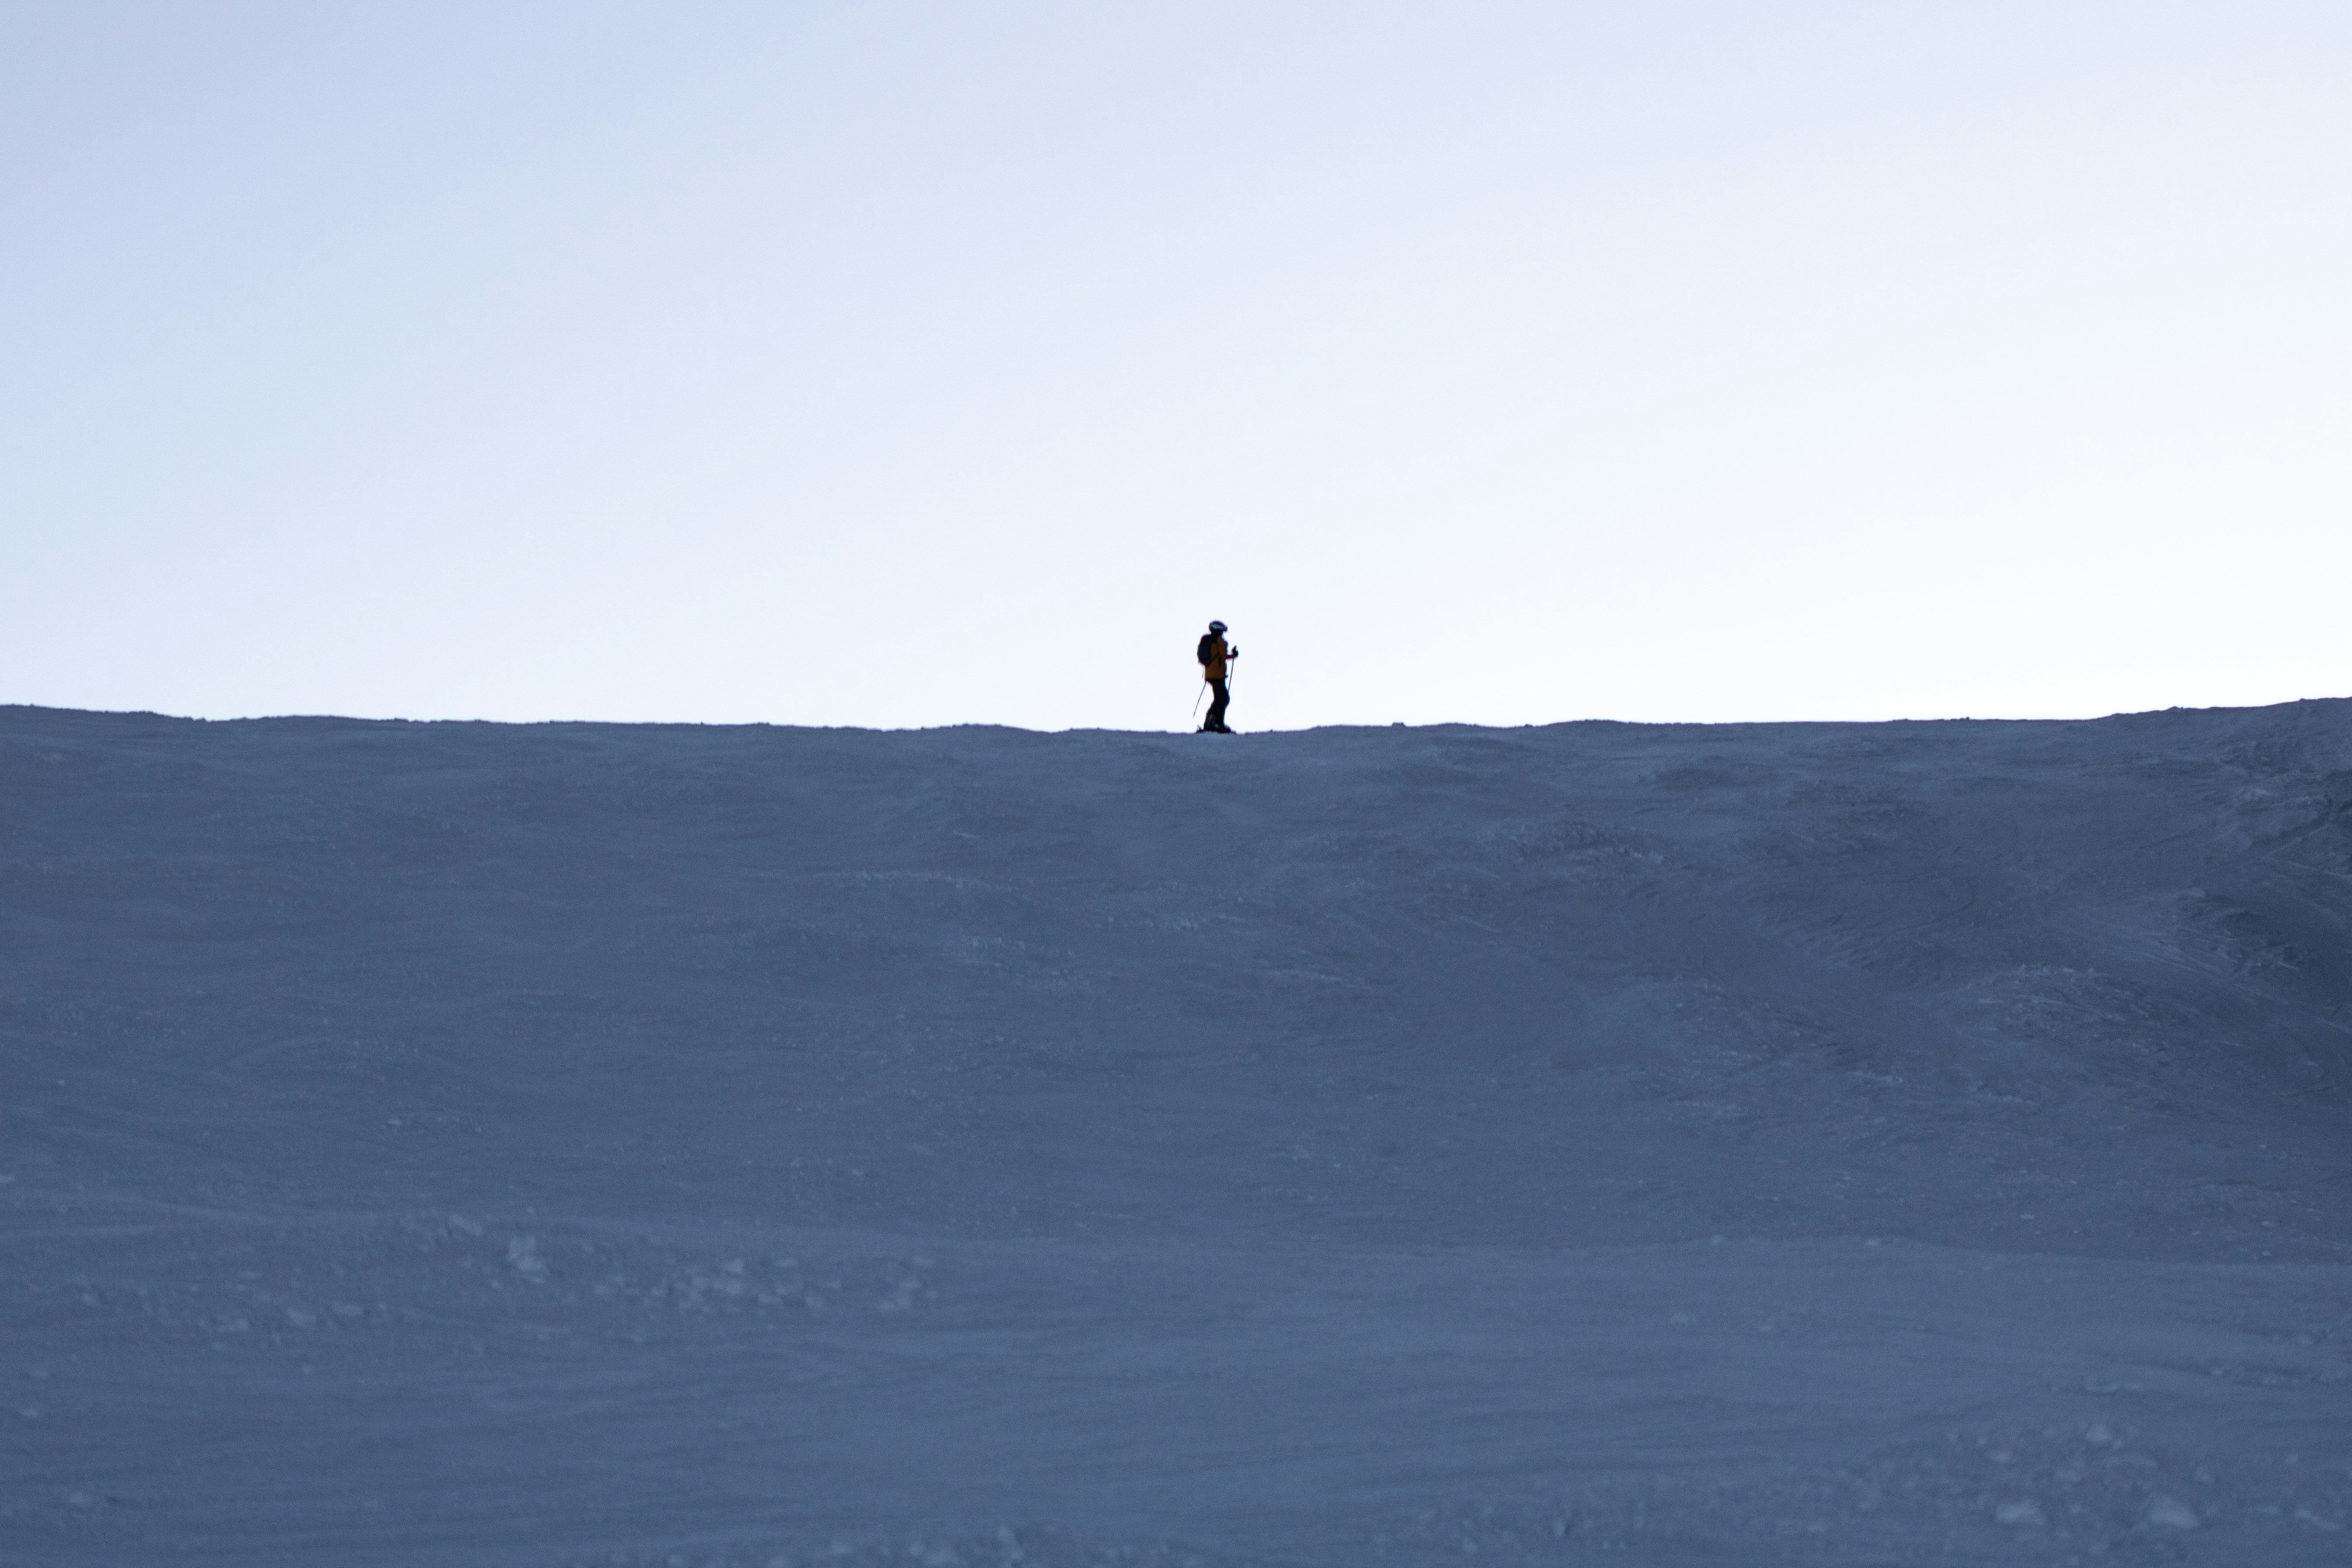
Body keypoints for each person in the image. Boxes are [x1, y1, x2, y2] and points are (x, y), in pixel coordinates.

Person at [1196, 620, 1237, 733]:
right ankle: (1214, 723)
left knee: (1222, 699)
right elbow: (1222, 656)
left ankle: (1215, 723)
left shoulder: (1210, 640)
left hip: (1213, 674)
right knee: (1222, 699)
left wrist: (1232, 656)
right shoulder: (1219, 641)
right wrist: (1233, 655)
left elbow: (1219, 656)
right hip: (1217, 675)